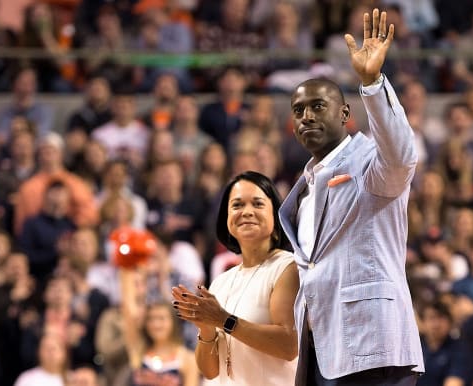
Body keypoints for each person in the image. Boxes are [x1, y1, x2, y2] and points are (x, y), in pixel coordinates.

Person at [278, 8, 424, 385]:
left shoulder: (369, 165)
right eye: (298, 111)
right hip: (323, 352)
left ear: (345, 114)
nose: (306, 116)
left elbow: (401, 154)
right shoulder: (304, 186)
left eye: (317, 106)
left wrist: (372, 82)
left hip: (374, 348)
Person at [171, 171, 299, 385]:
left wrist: (223, 320)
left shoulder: (287, 267)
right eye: (237, 205)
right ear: (227, 219)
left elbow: (288, 346)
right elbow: (210, 371)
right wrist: (206, 327)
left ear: (276, 218)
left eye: (257, 204)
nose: (247, 212)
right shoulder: (222, 281)